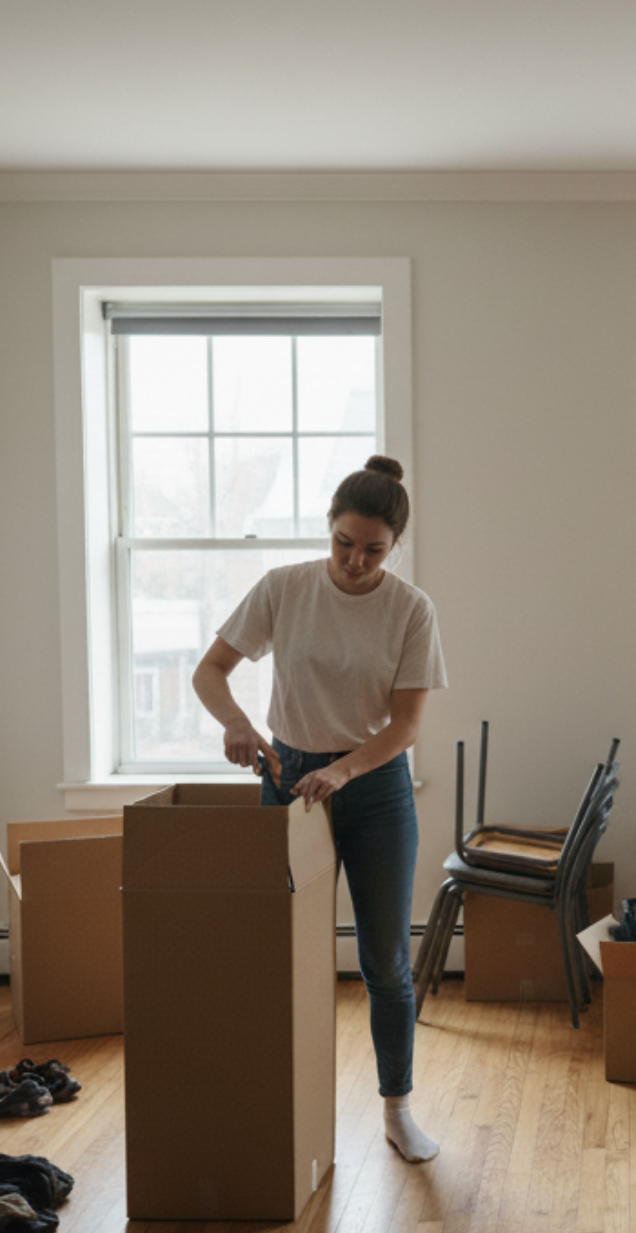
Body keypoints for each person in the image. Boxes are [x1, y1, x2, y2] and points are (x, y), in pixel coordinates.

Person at [192, 455, 447, 1164]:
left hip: (373, 789)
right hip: (288, 779)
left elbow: (405, 725)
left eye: (373, 550)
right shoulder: (284, 589)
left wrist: (345, 769)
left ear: (394, 546)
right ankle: (278, 1104)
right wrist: (237, 724)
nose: (355, 561)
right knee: (279, 956)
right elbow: (209, 671)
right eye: (344, 543)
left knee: (385, 962)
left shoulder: (410, 610)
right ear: (328, 529)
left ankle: (397, 1109)